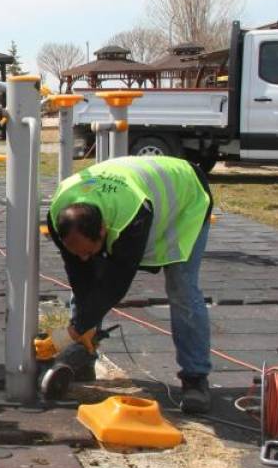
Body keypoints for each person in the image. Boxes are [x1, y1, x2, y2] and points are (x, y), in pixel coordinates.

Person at [46, 155, 214, 413]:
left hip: (186, 196)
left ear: (103, 230)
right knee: (90, 277)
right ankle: (83, 354)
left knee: (181, 286)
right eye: (77, 251)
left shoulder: (131, 218)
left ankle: (195, 378)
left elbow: (116, 284)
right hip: (139, 189)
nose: (82, 256)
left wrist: (72, 331)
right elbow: (80, 274)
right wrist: (82, 326)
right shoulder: (59, 216)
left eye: (89, 250)